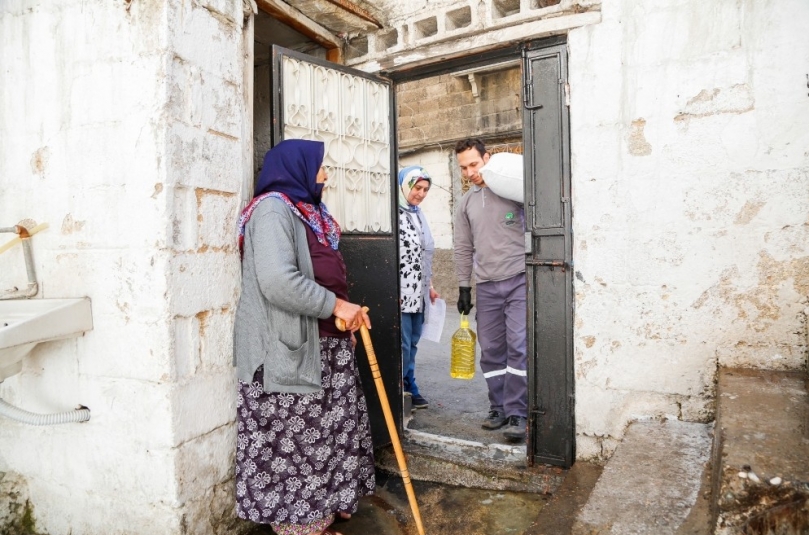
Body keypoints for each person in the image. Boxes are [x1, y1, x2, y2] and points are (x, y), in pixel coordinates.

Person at [233, 139, 375, 535]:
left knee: (329, 432)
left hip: (326, 343)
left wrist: (341, 315)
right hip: (286, 348)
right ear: (295, 168)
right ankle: (298, 525)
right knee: (295, 440)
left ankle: (329, 502)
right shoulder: (272, 210)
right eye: (319, 168)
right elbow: (278, 281)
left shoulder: (308, 212)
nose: (325, 175)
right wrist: (337, 307)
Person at [453, 138, 528, 441]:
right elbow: (462, 247)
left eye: (474, 163)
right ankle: (497, 407)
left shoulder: (513, 190)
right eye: (463, 167)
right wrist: (463, 287)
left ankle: (517, 412)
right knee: (492, 350)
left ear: (487, 158)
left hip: (518, 279)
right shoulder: (466, 203)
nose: (470, 171)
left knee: (519, 346)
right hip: (486, 286)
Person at [397, 165, 439, 410]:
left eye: (425, 189)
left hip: (419, 291)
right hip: (401, 291)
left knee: (413, 341)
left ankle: (409, 382)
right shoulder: (394, 214)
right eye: (417, 187)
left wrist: (430, 286)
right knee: (401, 342)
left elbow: (425, 253)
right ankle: (400, 386)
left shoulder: (418, 213)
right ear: (404, 186)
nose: (421, 193)